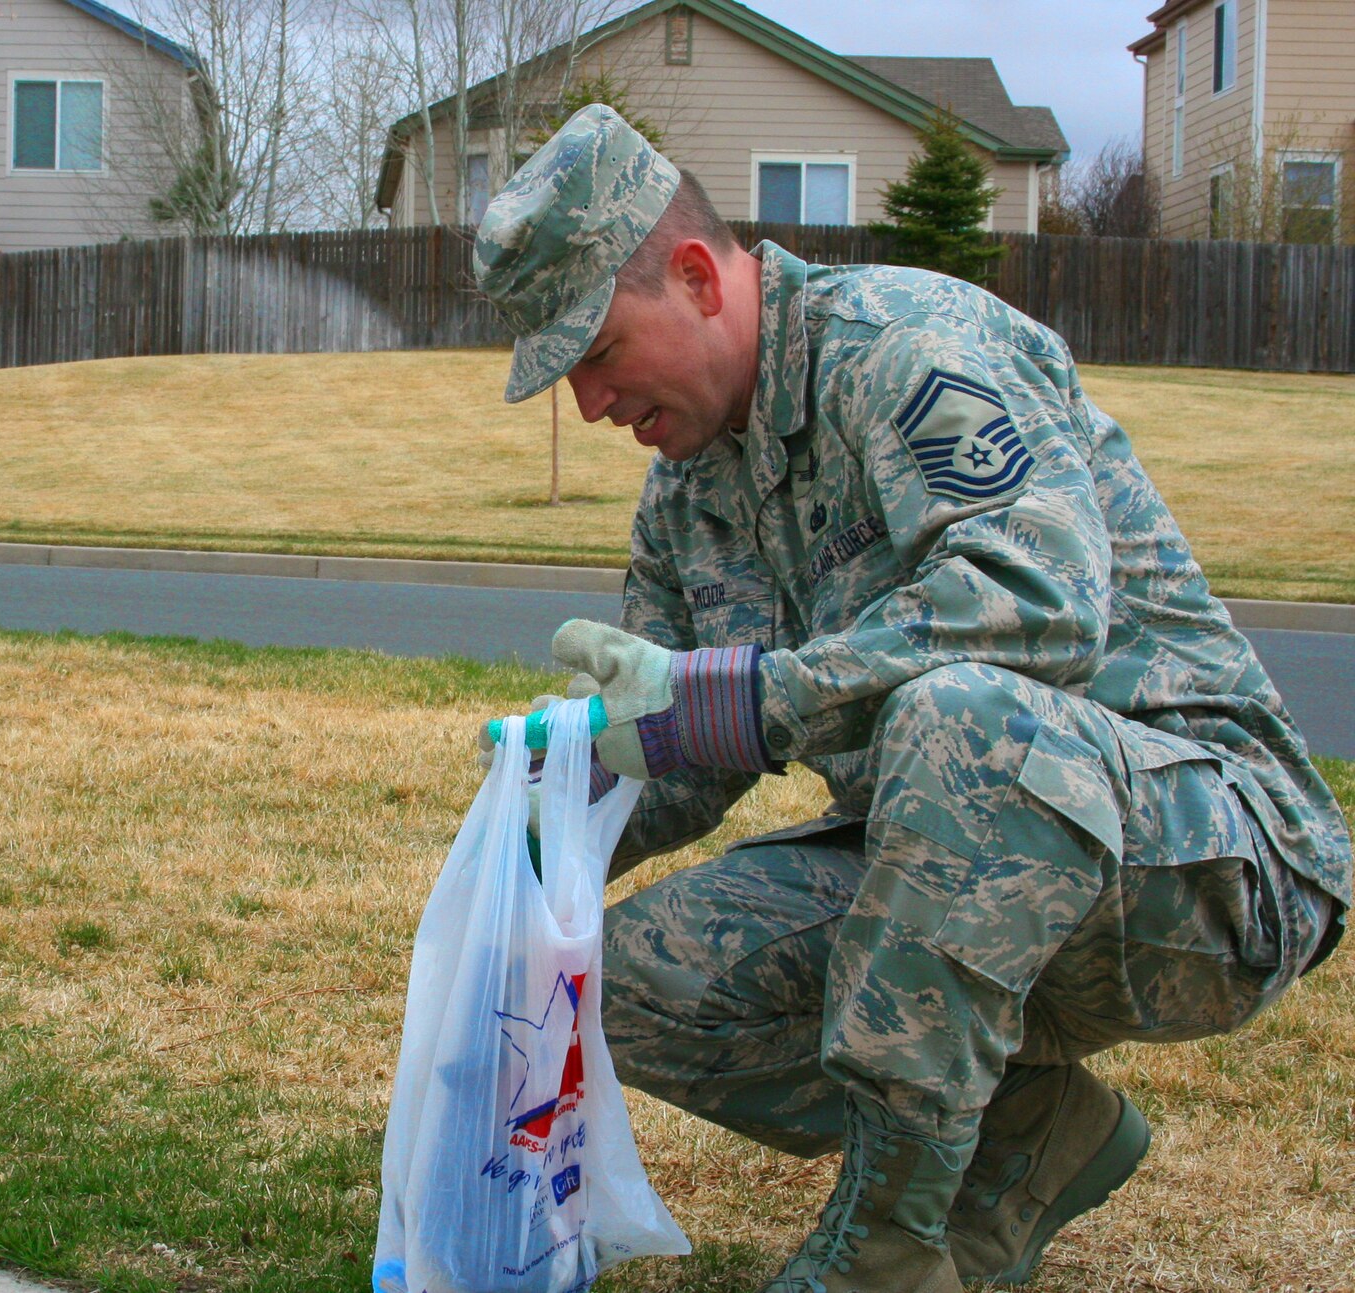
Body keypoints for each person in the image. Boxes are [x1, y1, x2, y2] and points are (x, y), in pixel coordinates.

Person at [474, 104, 1350, 1292]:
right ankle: (1021, 1140)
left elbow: (1037, 604)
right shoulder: (689, 489)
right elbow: (680, 737)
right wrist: (532, 846)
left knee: (961, 722)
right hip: (947, 866)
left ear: (692, 276)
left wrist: (748, 698)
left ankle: (885, 1252)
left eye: (594, 352)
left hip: (1206, 863)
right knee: (625, 982)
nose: (586, 405)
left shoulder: (903, 345)